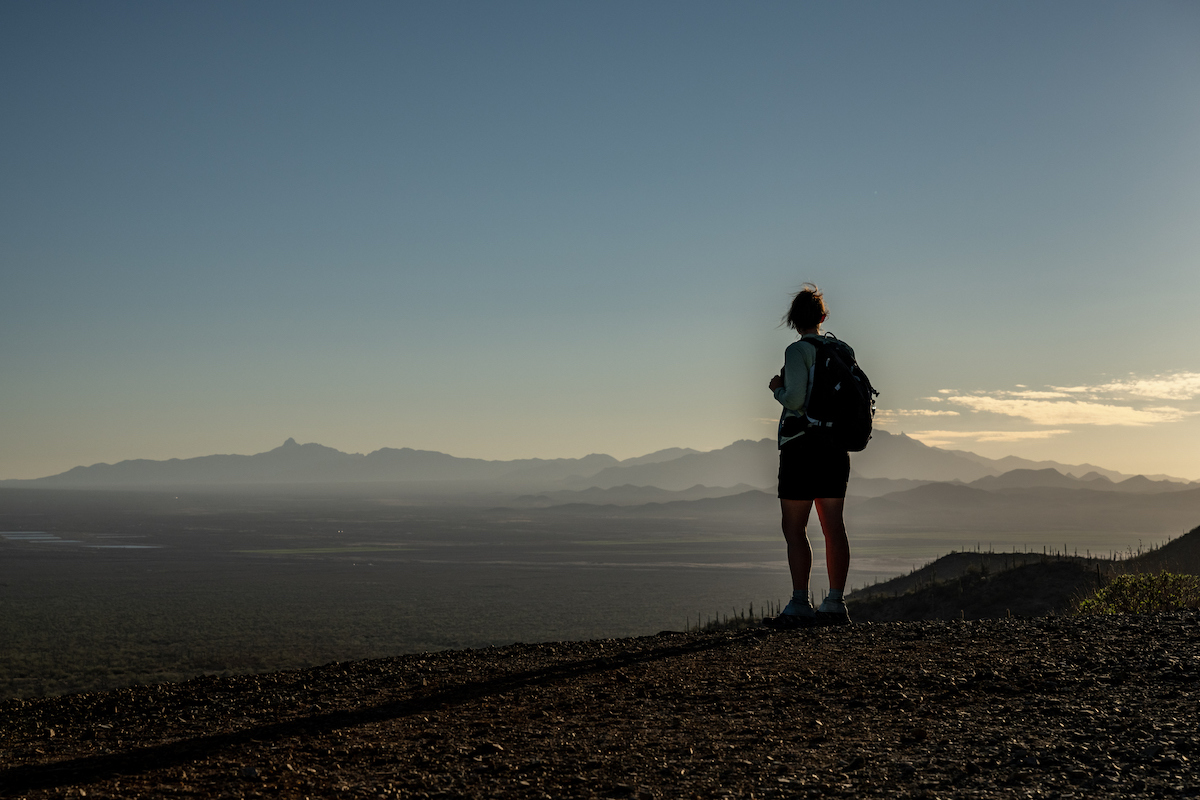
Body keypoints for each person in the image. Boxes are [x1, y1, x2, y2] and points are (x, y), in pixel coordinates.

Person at [766, 284, 852, 627]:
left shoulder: (797, 350)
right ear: (823, 316)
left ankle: (800, 603)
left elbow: (796, 399)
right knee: (834, 526)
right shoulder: (841, 349)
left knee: (794, 527)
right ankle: (835, 602)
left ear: (793, 320)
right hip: (835, 447)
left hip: (801, 447)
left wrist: (777, 389)